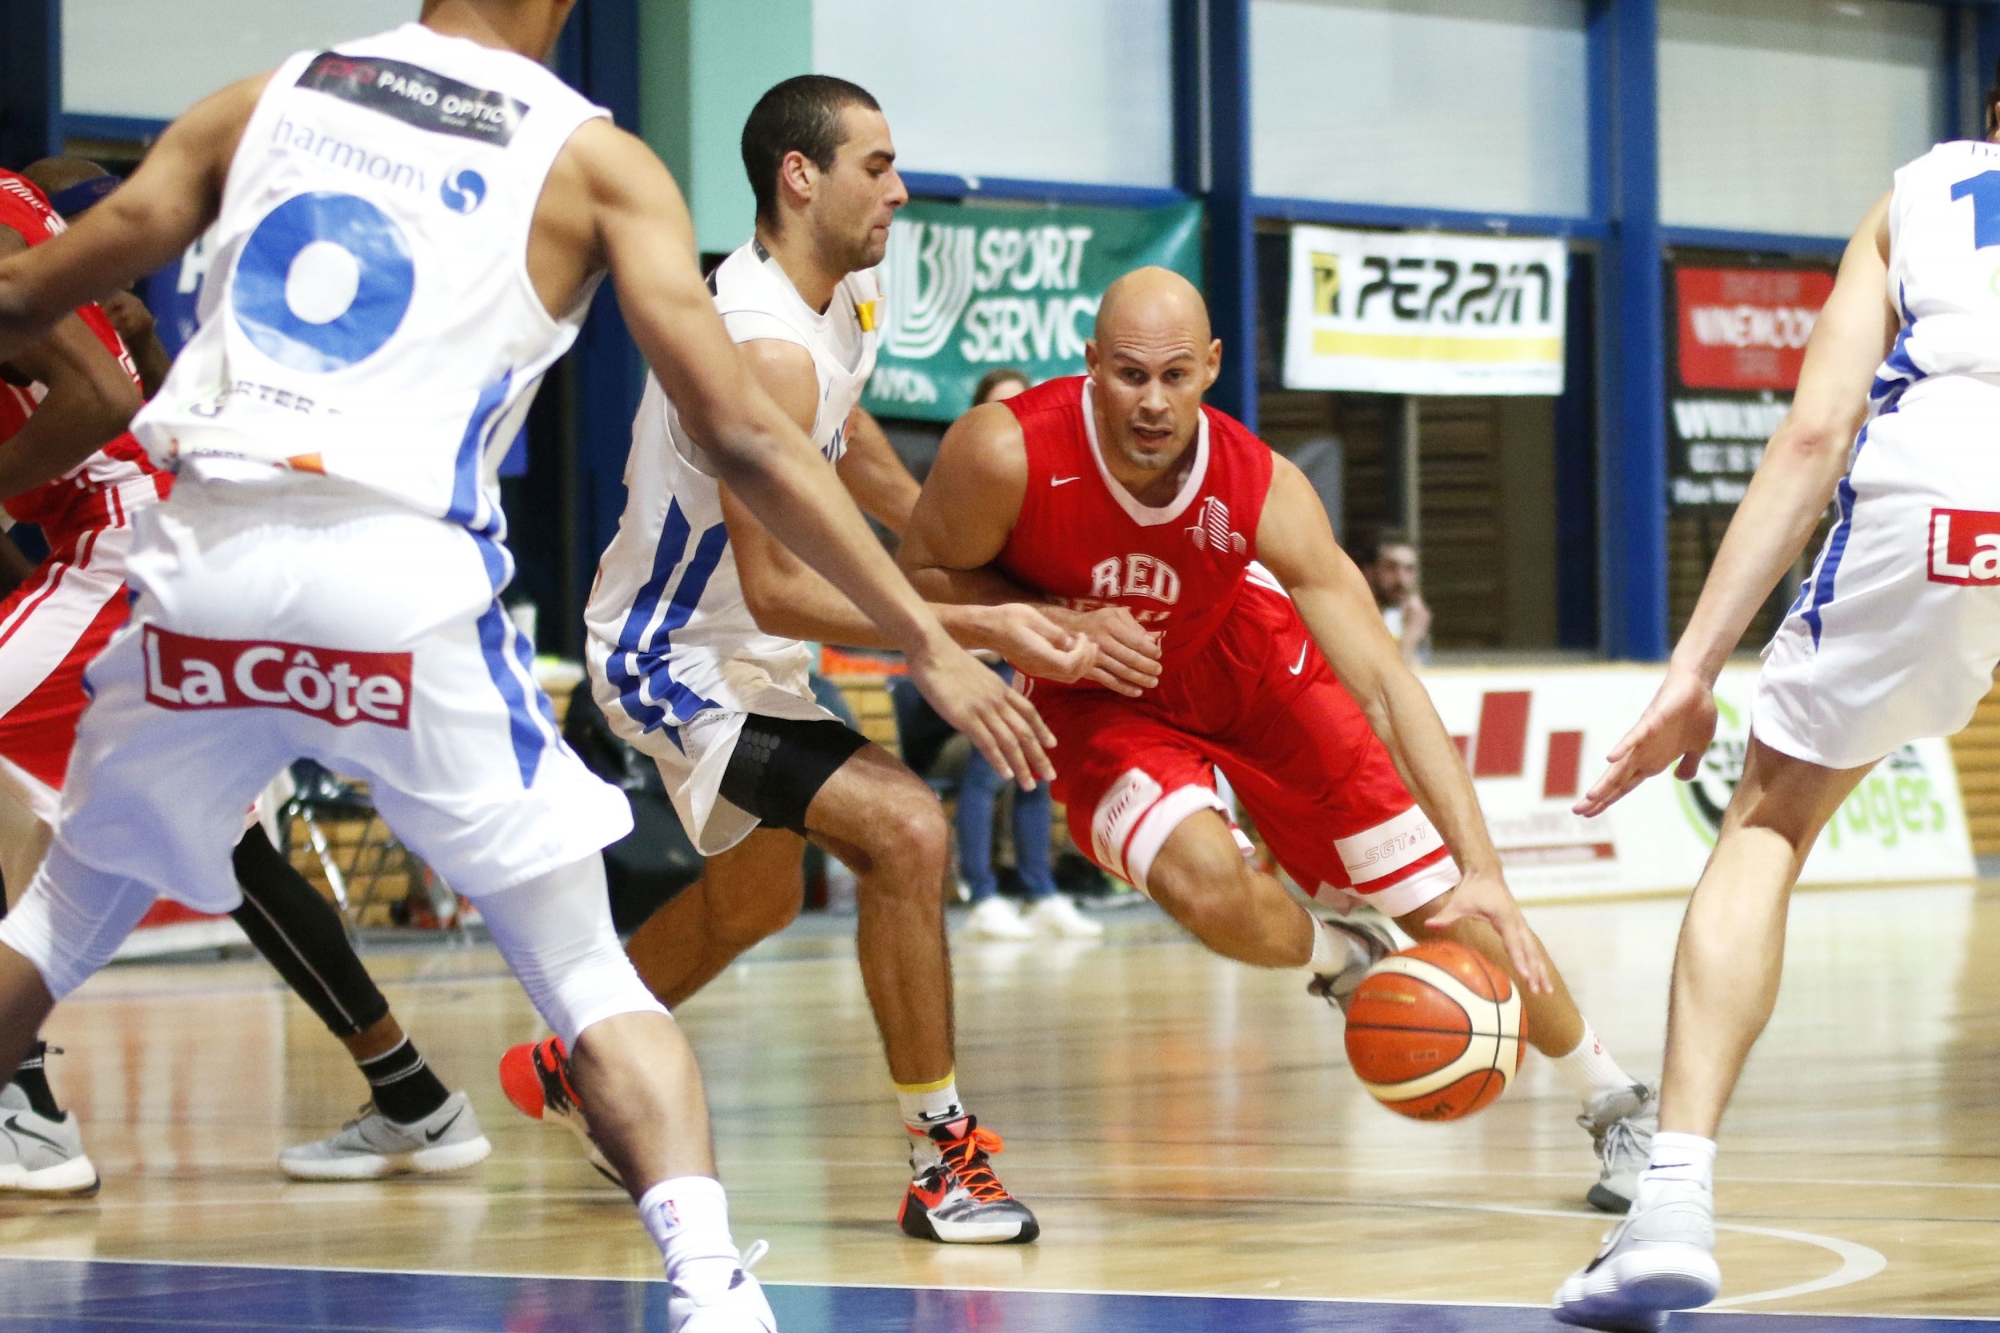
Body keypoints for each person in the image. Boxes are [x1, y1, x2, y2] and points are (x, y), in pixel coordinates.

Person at [0, 4, 1053, 1328]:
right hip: (419, 578)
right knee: (621, 961)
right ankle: (718, 1282)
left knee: (49, 924)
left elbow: (40, 301)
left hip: (204, 551)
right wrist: (938, 636)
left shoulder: (273, 90)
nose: (898, 187)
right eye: (880, 163)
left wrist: (963, 599)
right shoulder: (594, 160)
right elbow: (750, 440)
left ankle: (412, 1099)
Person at [897, 267, 1659, 1214]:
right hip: (1102, 699)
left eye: (1176, 375)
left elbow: (1384, 681)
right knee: (1207, 883)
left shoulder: (1255, 487)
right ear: (1090, 364)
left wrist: (1485, 865)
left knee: (1458, 917)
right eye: (1129, 374)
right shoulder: (1008, 452)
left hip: (1258, 673)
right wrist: (1051, 619)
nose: (1152, 401)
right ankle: (1340, 960)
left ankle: (1616, 1098)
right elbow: (917, 581)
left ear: (1212, 368)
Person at [502, 76, 1111, 1246]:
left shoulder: (847, 296)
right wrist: (965, 632)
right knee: (909, 828)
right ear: (799, 174)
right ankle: (942, 1161)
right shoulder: (759, 344)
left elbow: (856, 446)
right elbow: (781, 583)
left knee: (759, 894)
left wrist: (978, 562)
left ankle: (580, 1064)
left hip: (753, 646)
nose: (898, 185)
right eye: (874, 164)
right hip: (670, 652)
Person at [1549, 71, 2000, 1333]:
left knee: (1767, 822)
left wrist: (1692, 671)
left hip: (1946, 488)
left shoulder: (1923, 188)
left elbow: (1814, 435)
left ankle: (1673, 1203)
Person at [0, 157, 490, 1189]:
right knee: (233, 850)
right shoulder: (31, 201)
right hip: (164, 540)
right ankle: (411, 1094)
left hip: (123, 548)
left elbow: (89, 399)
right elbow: (76, 191)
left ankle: (24, 1098)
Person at [916, 368, 1101, 942]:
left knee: (1036, 773)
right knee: (988, 768)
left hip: (1031, 650)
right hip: (971, 654)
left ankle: (1040, 890)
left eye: (1023, 406)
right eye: (1000, 408)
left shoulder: (1051, 485)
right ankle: (980, 894)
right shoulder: (956, 486)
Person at [1363, 528, 1430, 666]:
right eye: (1391, 568)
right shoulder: (1354, 619)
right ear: (1369, 571)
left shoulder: (1411, 617)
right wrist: (1410, 637)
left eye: (1409, 569)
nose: (1402, 579)